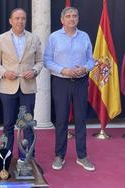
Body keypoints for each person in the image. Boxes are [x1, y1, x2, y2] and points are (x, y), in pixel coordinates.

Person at [44, 7, 95, 171]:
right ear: (62, 20)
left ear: (78, 19)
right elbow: (47, 60)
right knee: (61, 120)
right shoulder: (54, 37)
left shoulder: (85, 36)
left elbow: (91, 60)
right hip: (61, 82)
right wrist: (63, 70)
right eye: (68, 16)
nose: (72, 19)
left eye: (74, 16)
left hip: (80, 82)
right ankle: (59, 155)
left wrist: (85, 68)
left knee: (81, 120)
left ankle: (82, 156)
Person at [0, 8, 43, 161]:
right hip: (8, 87)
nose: (20, 21)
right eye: (17, 18)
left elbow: (40, 61)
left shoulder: (34, 38)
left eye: (23, 18)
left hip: (28, 87)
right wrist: (4, 72)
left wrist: (34, 71)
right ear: (10, 20)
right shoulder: (1, 38)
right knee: (8, 124)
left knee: (27, 125)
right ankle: (6, 158)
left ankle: (27, 158)